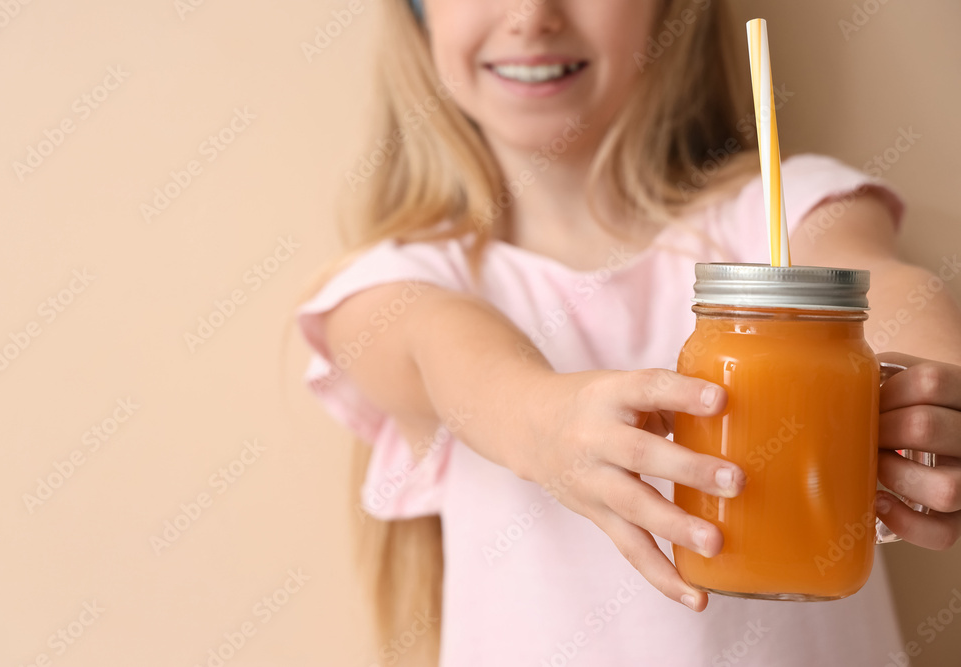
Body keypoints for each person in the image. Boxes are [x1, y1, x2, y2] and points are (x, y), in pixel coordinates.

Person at [293, 0, 961, 664]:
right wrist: (542, 419)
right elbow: (439, 349)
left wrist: (932, 386)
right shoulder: (400, 281)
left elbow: (880, 285)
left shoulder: (780, 208)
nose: (531, 15)